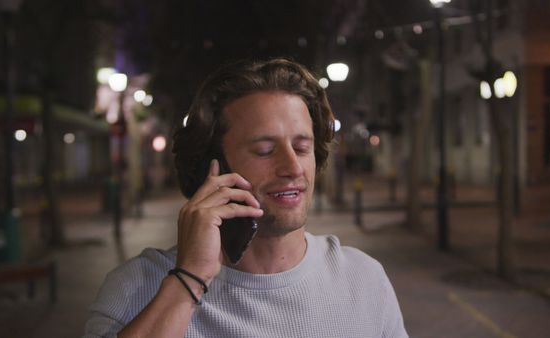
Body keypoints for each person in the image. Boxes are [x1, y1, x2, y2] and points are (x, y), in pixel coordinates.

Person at [84, 58, 409, 338]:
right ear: (213, 168)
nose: (292, 167)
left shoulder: (365, 279)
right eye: (265, 150)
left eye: (302, 147)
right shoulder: (137, 288)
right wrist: (189, 279)